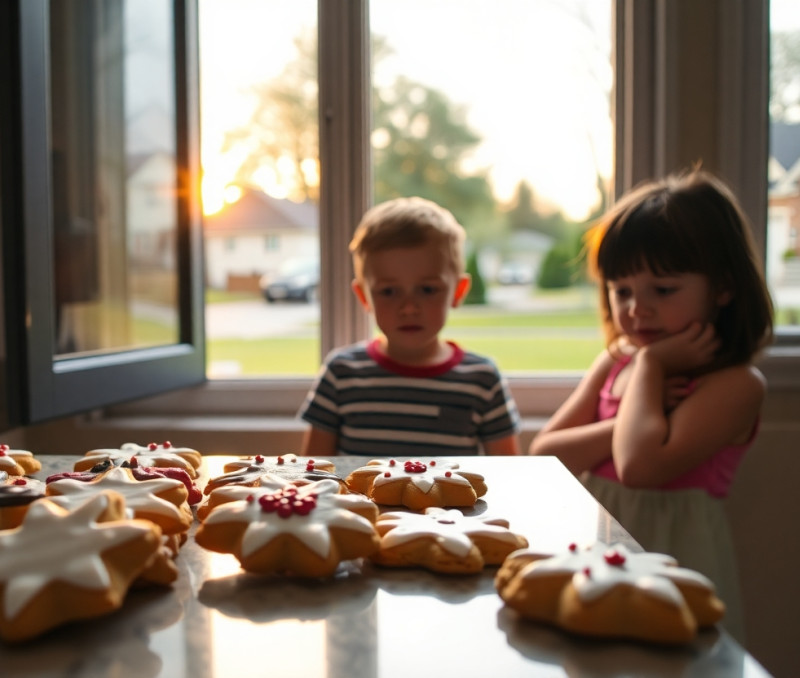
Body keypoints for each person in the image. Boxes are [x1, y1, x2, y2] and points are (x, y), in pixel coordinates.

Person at [528, 170, 774, 641]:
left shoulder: (736, 385)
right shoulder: (617, 364)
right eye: (621, 290)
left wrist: (651, 366)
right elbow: (544, 455)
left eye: (663, 290)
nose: (637, 309)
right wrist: (633, 402)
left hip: (675, 563)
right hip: (591, 550)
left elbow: (640, 465)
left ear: (722, 287)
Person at [299, 196, 521, 457]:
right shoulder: (342, 375)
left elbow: (509, 475)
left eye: (427, 289)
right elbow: (313, 475)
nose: (408, 307)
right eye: (389, 291)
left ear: (458, 292)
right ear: (363, 297)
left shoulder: (482, 380)